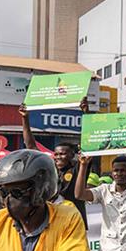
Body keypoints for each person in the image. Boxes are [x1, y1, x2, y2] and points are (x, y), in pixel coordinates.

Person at [20, 97, 90, 226]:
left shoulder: (79, 167)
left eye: (63, 154)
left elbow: (88, 143)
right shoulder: (49, 167)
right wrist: (25, 118)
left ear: (72, 155)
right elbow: (31, 146)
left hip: (74, 221)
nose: (58, 157)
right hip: (51, 221)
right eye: (56, 154)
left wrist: (86, 112)